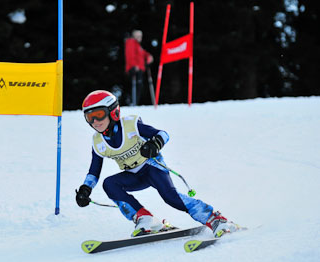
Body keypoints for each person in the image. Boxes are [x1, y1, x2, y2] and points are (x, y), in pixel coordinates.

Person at [75, 90, 240, 237]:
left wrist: (155, 144)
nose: (95, 121)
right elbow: (94, 171)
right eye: (90, 117)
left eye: (99, 114)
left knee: (170, 197)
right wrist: (86, 188)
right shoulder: (98, 142)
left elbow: (163, 134)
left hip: (152, 167)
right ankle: (145, 218)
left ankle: (217, 220)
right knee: (109, 184)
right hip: (133, 176)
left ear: (113, 112)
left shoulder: (130, 125)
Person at [124, 30, 153, 106]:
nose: (140, 37)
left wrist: (148, 56)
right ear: (134, 36)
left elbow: (143, 53)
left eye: (141, 36)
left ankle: (134, 102)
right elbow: (130, 55)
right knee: (136, 85)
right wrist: (133, 66)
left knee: (139, 85)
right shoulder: (131, 42)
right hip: (134, 68)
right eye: (138, 36)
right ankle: (132, 102)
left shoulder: (138, 45)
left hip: (139, 68)